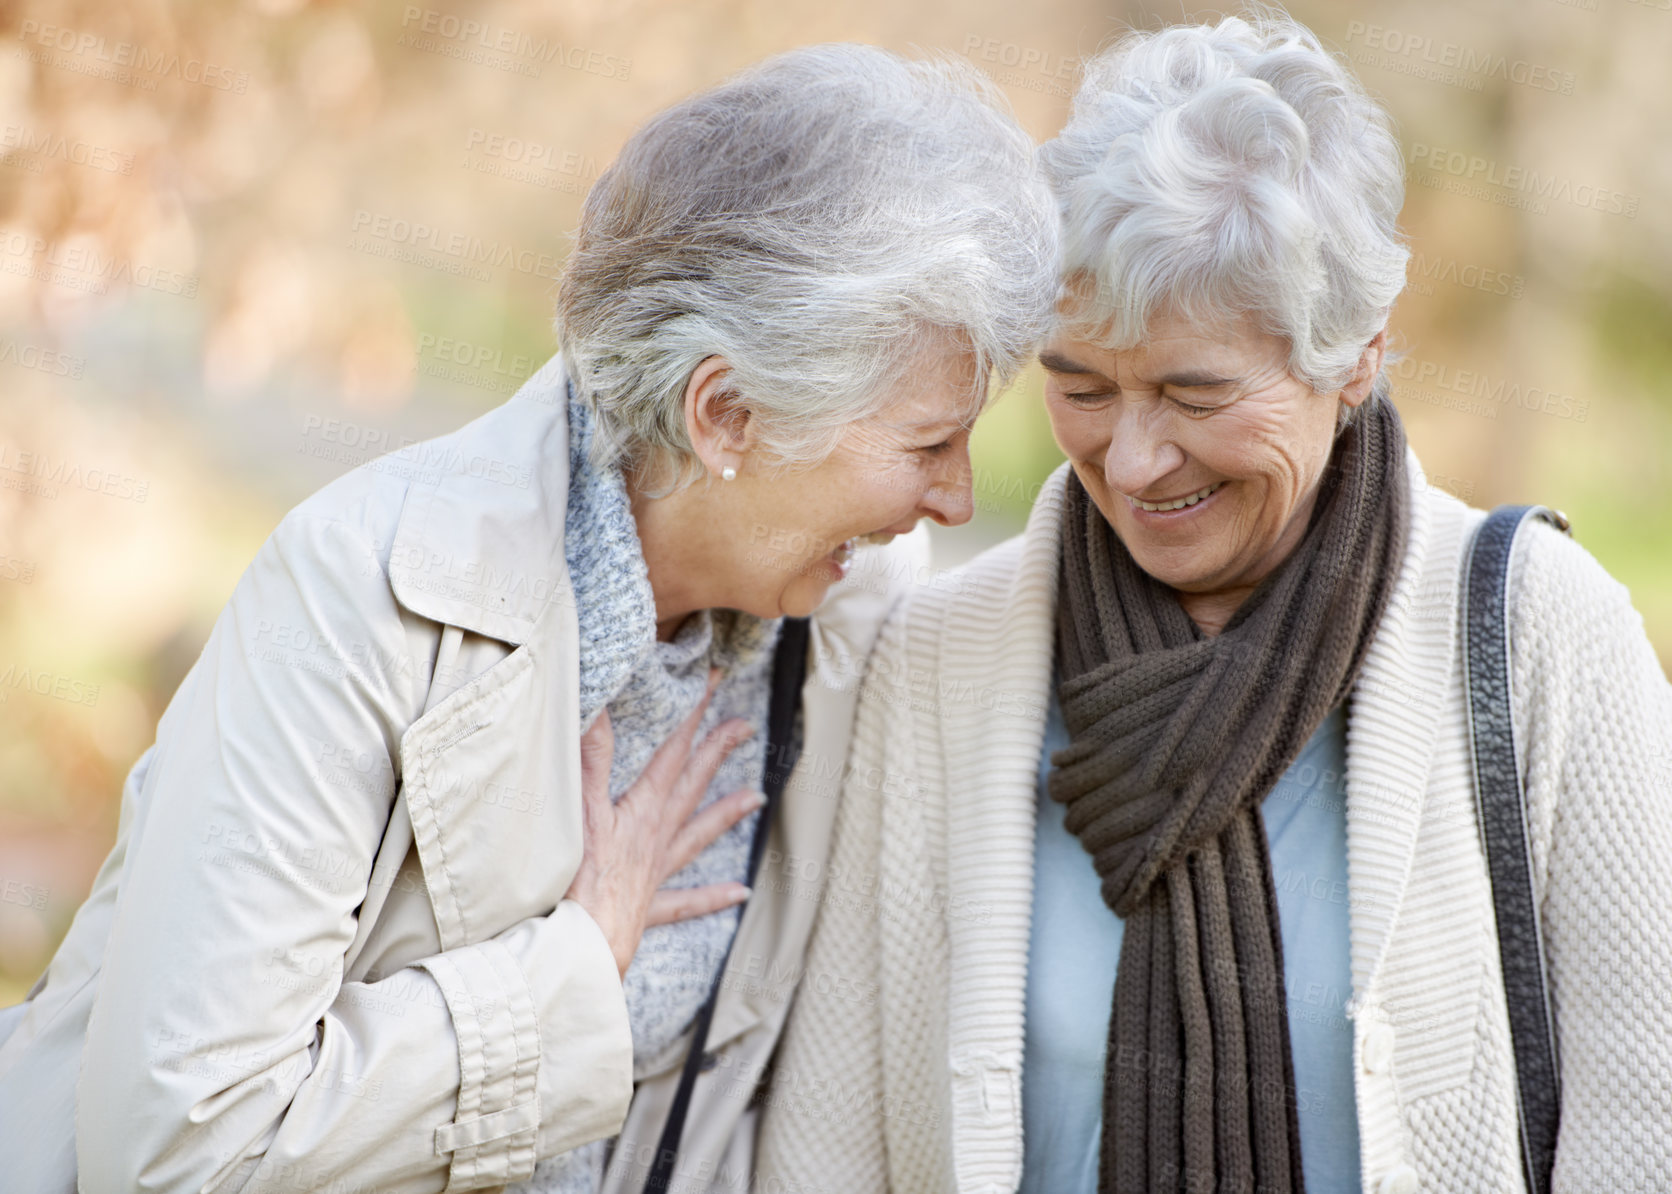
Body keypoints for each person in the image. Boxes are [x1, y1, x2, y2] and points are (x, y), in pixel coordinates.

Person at [0, 44, 1058, 1194]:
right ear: (727, 415)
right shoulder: (359, 594)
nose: (955, 498)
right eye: (924, 445)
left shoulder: (851, 616)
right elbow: (176, 1150)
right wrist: (567, 979)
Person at [757, 13, 1672, 1194]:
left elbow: (1645, 1124)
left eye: (1194, 393)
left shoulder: (1542, 638)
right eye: (1080, 387)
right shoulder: (938, 660)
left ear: (1356, 358)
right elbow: (830, 1150)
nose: (1132, 462)